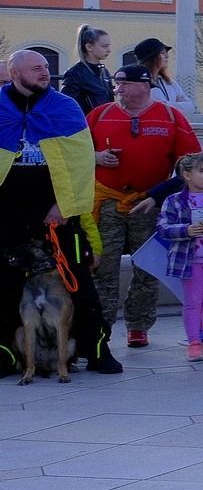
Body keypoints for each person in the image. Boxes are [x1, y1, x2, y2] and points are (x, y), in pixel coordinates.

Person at [0, 49, 121, 375]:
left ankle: (96, 350)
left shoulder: (65, 107)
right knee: (4, 284)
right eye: (35, 68)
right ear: (14, 73)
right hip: (8, 212)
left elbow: (81, 162)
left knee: (78, 281)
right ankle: (6, 354)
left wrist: (65, 205)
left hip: (56, 210)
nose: (44, 72)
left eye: (45, 67)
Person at [87, 64, 200, 348]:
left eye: (124, 83)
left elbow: (191, 165)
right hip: (108, 202)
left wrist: (159, 195)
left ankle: (138, 324)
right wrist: (96, 157)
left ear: (145, 85)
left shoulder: (170, 117)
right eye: (116, 83)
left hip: (150, 206)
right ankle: (99, 328)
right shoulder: (100, 115)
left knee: (147, 268)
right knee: (103, 267)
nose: (118, 88)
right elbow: (74, 152)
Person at [155, 153, 203, 361]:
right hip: (188, 261)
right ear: (187, 175)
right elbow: (162, 227)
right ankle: (194, 342)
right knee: (193, 302)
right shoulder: (174, 200)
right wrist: (186, 230)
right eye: (202, 171)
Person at [130, 38, 195, 116]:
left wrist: (164, 105)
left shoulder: (169, 82)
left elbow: (190, 107)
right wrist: (175, 106)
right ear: (152, 57)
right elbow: (154, 109)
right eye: (162, 53)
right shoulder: (138, 82)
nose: (167, 56)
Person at [60, 25, 115, 113]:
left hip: (103, 120)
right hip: (86, 120)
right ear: (89, 47)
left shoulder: (104, 71)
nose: (109, 50)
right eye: (104, 46)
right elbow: (66, 104)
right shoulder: (75, 73)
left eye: (109, 46)